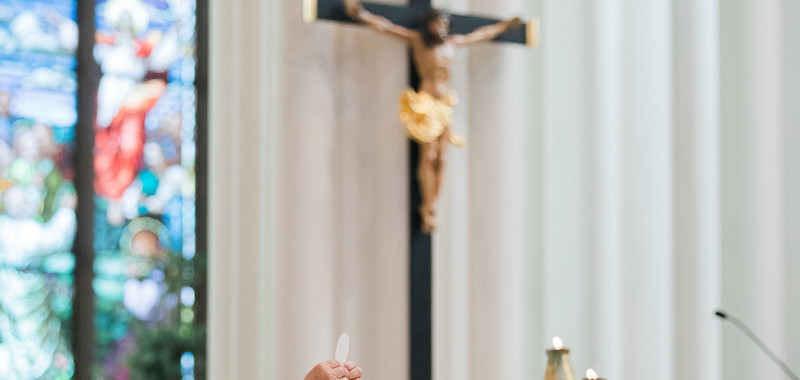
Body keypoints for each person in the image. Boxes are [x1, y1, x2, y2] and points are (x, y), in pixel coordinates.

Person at [344, 0, 522, 232]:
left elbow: (481, 35)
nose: (442, 29)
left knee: (443, 158)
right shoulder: (418, 42)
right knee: (429, 155)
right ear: (429, 25)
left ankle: (433, 204)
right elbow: (386, 27)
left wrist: (504, 26)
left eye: (445, 25)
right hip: (427, 103)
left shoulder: (453, 44)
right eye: (438, 24)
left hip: (445, 104)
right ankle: (427, 206)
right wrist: (362, 15)